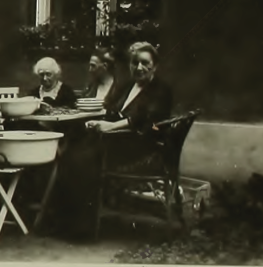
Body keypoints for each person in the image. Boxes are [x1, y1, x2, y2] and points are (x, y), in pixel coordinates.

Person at [53, 41, 173, 241]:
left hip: (140, 147)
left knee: (84, 160)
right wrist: (100, 122)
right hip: (116, 141)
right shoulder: (127, 86)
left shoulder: (161, 90)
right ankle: (64, 223)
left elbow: (147, 121)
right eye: (135, 63)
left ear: (155, 66)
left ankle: (82, 229)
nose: (139, 67)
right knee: (71, 156)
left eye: (145, 63)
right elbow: (111, 108)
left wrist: (110, 126)